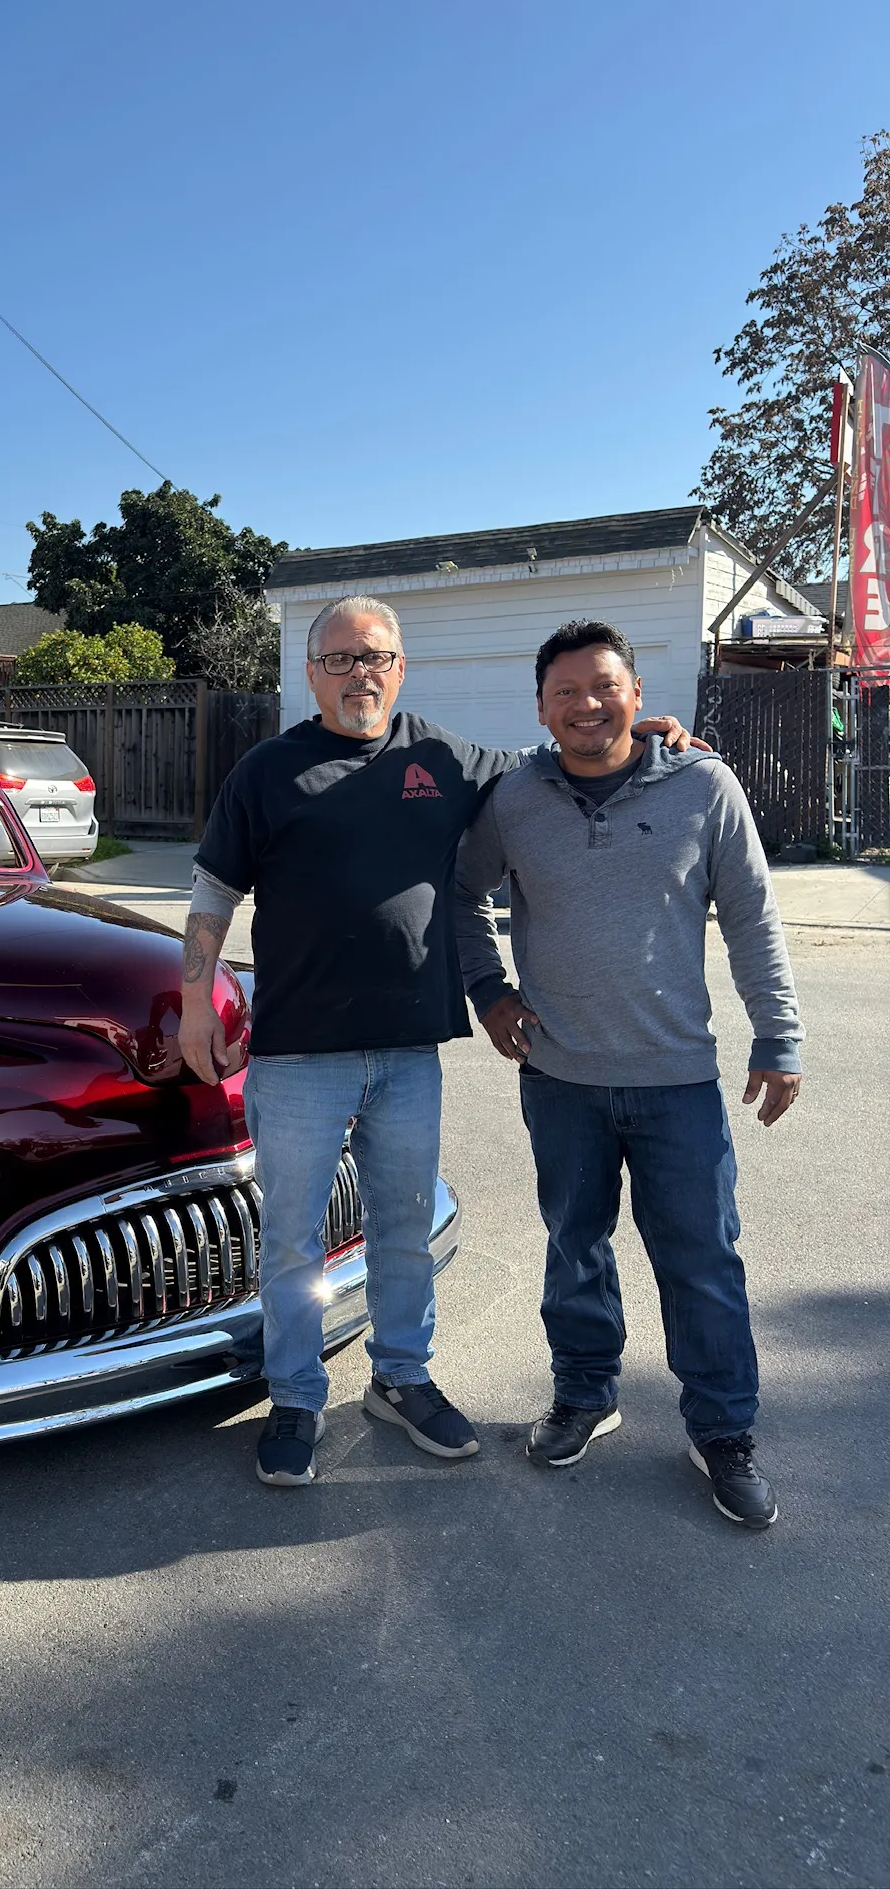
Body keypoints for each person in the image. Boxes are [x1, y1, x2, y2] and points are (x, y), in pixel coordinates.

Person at [178, 595, 701, 1489]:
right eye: (340, 659)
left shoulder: (445, 758)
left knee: (404, 1228)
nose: (360, 674)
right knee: (295, 1241)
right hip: (298, 1054)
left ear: (400, 667)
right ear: (312, 673)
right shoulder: (266, 771)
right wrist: (197, 1002)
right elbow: (213, 892)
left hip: (408, 1053)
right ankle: (296, 1397)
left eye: (375, 657)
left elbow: (555, 760)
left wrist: (636, 737)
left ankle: (401, 1377)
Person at [453, 618, 802, 1530]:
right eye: (565, 691)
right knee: (575, 1246)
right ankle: (584, 1393)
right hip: (559, 1077)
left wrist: (779, 1035)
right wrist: (489, 988)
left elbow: (753, 918)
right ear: (541, 708)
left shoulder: (704, 785)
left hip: (676, 1078)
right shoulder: (514, 798)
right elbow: (460, 894)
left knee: (703, 1262)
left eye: (604, 686)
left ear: (638, 696)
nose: (587, 705)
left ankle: (723, 1432)